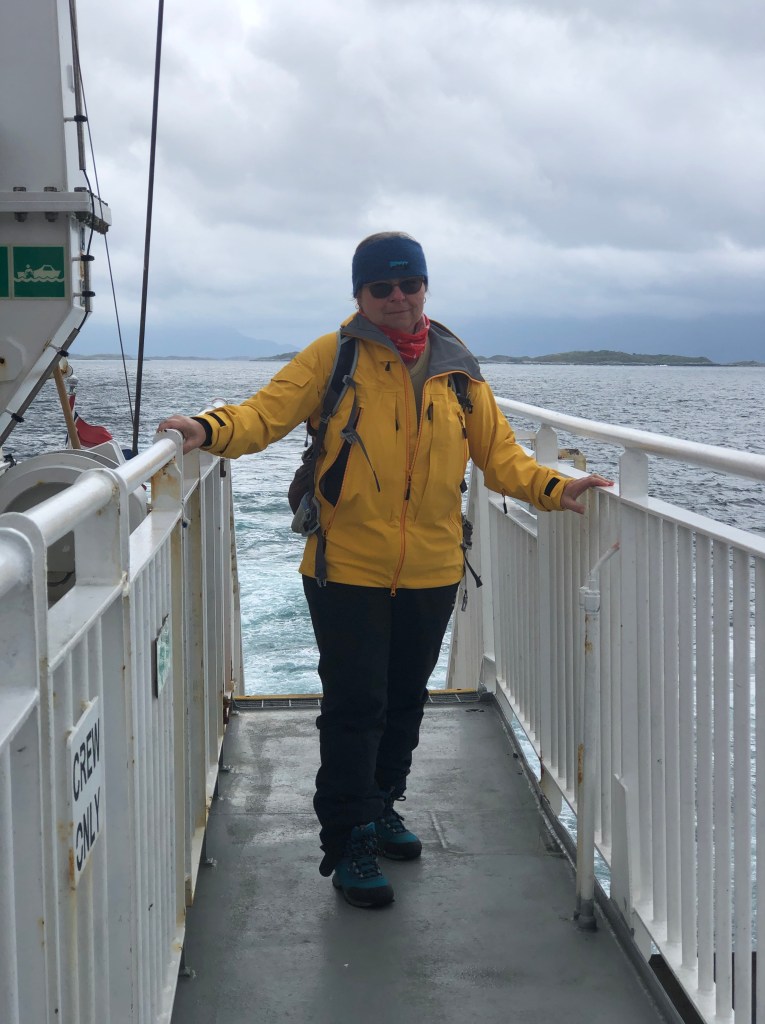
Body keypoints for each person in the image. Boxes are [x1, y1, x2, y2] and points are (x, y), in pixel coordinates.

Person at [159, 231, 612, 909]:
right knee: (355, 706)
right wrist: (206, 428)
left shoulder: (459, 370)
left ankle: (381, 804)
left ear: (425, 287)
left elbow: (501, 457)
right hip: (345, 567)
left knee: (404, 701)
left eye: (410, 284)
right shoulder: (334, 355)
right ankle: (349, 840)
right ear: (360, 294)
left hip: (433, 567)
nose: (398, 298)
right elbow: (264, 414)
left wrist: (555, 487)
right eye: (382, 287)